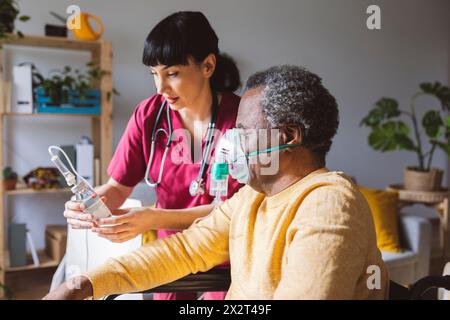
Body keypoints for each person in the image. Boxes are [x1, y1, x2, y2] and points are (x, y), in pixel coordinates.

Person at [46, 65, 388, 300]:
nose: (232, 143)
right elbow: (182, 250)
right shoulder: (251, 199)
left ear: (288, 136)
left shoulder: (328, 204)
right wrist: (84, 284)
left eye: (243, 132)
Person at [62, 11, 242, 300]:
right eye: (154, 75)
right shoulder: (149, 115)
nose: (161, 88)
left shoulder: (243, 120)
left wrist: (153, 218)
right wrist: (91, 204)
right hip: (171, 254)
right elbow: (118, 187)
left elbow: (239, 211)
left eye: (172, 73)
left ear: (208, 65)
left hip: (229, 256)